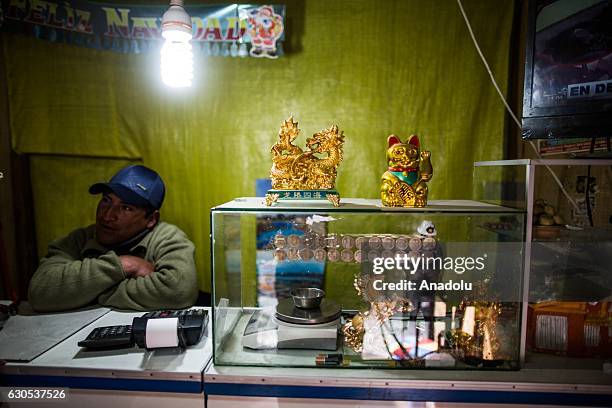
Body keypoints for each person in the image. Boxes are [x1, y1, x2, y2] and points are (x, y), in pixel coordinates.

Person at [28, 165, 198, 312]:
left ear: (151, 219)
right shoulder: (79, 239)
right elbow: (40, 290)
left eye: (126, 208)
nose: (108, 215)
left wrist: (88, 292)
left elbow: (178, 291)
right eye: (106, 200)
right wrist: (123, 264)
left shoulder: (167, 238)